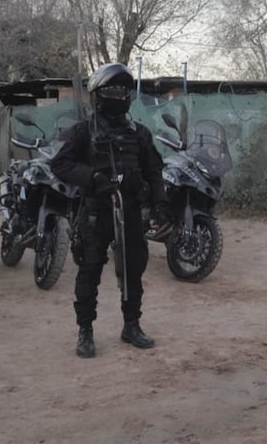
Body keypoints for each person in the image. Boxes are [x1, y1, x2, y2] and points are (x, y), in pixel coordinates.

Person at [50, 63, 169, 358]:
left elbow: (154, 171)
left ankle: (132, 326)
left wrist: (160, 204)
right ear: (98, 95)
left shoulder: (139, 133)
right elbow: (60, 164)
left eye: (124, 91)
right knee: (89, 271)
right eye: (112, 90)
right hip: (94, 212)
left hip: (130, 211)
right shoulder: (81, 132)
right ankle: (85, 332)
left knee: (132, 271)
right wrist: (92, 177)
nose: (119, 96)